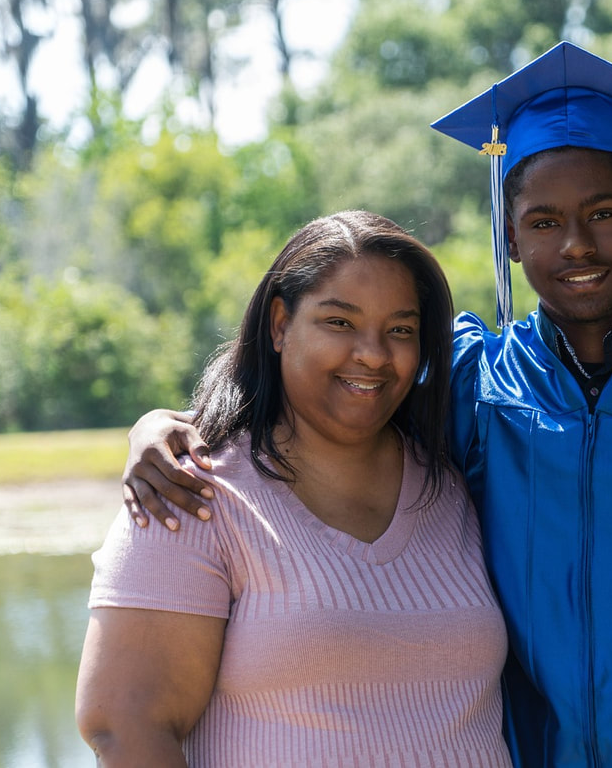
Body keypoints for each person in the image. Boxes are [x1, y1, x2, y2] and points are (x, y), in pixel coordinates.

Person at [119, 43, 612, 766]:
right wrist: (170, 425)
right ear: (510, 237)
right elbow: (331, 388)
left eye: (603, 214)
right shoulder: (475, 386)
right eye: (543, 221)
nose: (575, 245)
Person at [76, 210, 512, 767]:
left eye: (400, 330)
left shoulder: (450, 483)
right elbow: (125, 725)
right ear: (280, 324)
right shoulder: (193, 490)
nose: (374, 354)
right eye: (340, 323)